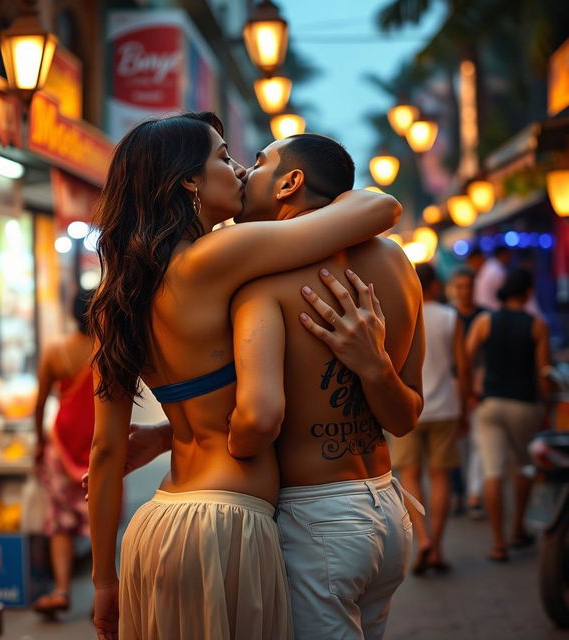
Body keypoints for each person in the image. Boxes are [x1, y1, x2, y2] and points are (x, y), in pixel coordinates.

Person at [97, 133, 424, 639]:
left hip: (315, 521)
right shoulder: (399, 266)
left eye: (254, 162)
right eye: (228, 159)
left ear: (290, 183)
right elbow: (404, 420)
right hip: (388, 507)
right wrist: (375, 367)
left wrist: (202, 437)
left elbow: (257, 416)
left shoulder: (256, 279)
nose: (243, 172)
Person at [389, 263, 469, 575]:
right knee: (440, 478)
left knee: (410, 475)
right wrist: (463, 409)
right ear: (436, 286)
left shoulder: (401, 316)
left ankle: (422, 538)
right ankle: (437, 546)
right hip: (445, 408)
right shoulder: (452, 318)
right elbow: (461, 370)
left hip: (409, 408)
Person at [466, 267, 551, 562]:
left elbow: (466, 357)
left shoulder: (484, 320)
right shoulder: (537, 325)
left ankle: (498, 543)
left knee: (492, 471)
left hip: (489, 404)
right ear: (528, 293)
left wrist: (469, 392)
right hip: (524, 404)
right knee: (524, 466)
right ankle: (517, 529)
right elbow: (542, 375)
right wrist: (548, 406)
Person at [32, 288, 95, 615]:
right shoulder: (108, 351)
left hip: (61, 445)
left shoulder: (56, 352)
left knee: (60, 522)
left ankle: (61, 590)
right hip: (101, 447)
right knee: (102, 518)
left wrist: (37, 444)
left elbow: (40, 404)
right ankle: (104, 593)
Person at [448, 267, 486, 518]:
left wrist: (477, 384)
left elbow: (488, 357)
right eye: (460, 287)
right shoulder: (447, 315)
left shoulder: (484, 316)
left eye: (468, 286)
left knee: (478, 444)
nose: (464, 292)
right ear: (453, 288)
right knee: (455, 445)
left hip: (481, 387)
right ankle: (457, 493)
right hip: (452, 385)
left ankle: (474, 496)